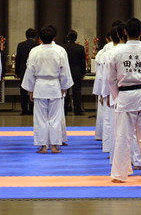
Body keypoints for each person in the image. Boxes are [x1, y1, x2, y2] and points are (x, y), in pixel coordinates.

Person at [106, 18, 141, 183]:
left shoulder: (115, 52)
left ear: (124, 32)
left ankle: (119, 175)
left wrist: (118, 96)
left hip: (125, 95)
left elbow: (110, 79)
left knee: (123, 136)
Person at [21, 25, 72, 153]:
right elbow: (65, 70)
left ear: (40, 38)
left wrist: (30, 89)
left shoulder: (35, 51)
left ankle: (43, 146)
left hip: (40, 85)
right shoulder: (60, 51)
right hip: (55, 85)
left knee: (40, 118)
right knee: (55, 117)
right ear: (54, 37)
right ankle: (54, 145)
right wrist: (64, 86)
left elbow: (30, 70)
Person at [63, 30, 87, 115]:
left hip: (66, 73)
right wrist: (83, 72)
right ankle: (77, 111)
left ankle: (64, 111)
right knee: (77, 92)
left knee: (65, 92)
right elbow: (83, 62)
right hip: (77, 72)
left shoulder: (63, 47)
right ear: (76, 38)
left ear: (67, 37)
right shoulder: (80, 48)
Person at [15, 28, 38, 116]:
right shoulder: (37, 45)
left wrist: (17, 71)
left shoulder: (21, 45)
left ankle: (24, 109)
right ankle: (32, 109)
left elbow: (18, 59)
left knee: (23, 91)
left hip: (23, 70)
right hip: (34, 71)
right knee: (33, 90)